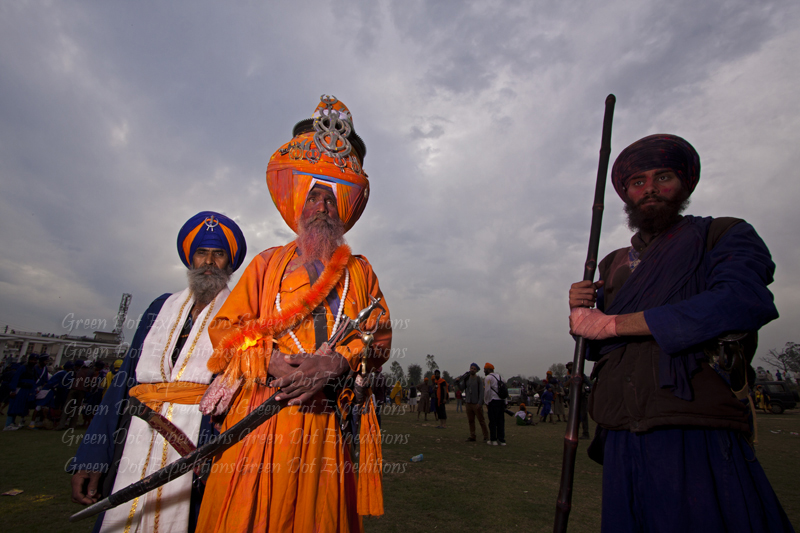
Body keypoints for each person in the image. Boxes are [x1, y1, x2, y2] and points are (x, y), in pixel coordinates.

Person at [568, 134, 793, 531]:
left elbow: (741, 300)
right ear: (626, 195)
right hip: (620, 424)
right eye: (637, 182)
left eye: (663, 176)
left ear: (685, 184)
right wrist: (582, 314)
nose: (650, 188)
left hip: (691, 418)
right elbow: (600, 348)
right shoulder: (613, 263)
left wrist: (614, 322)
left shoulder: (721, 235)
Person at [196, 96, 392, 532]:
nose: (323, 207)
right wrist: (267, 360)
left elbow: (378, 337)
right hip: (260, 423)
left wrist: (336, 362)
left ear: (343, 209)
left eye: (331, 200)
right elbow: (225, 330)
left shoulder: (360, 272)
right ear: (298, 202)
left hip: (326, 430)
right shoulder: (267, 263)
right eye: (315, 196)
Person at [68, 211, 247, 533]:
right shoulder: (159, 307)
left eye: (218, 254)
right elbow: (123, 385)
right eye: (202, 253)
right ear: (190, 259)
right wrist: (92, 455)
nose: (209, 261)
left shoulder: (242, 313)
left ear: (229, 264)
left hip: (200, 438)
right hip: (135, 431)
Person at [459, 363, 489, 442]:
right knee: (471, 420)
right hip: (468, 402)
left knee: (481, 420)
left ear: (476, 371)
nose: (472, 370)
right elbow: (461, 388)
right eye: (471, 368)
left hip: (476, 403)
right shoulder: (466, 379)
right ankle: (472, 436)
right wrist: (458, 382)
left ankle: (486, 436)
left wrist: (479, 403)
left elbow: (481, 392)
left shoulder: (478, 379)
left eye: (474, 369)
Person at [565, 361, 591, 439]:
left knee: (583, 415)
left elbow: (589, 384)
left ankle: (585, 433)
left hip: (581, 396)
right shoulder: (567, 377)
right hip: (572, 397)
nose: (570, 368)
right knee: (573, 416)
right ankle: (573, 432)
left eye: (572, 366)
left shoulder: (581, 375)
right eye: (569, 366)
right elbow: (565, 384)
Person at [483, 362, 506, 446]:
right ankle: (502, 440)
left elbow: (487, 391)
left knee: (492, 421)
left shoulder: (488, 378)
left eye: (485, 369)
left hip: (493, 401)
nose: (484, 371)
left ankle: (493, 440)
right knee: (500, 421)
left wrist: (486, 401)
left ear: (488, 369)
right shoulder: (501, 377)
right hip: (501, 401)